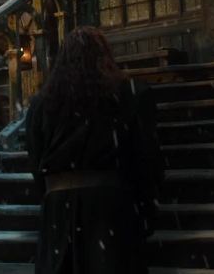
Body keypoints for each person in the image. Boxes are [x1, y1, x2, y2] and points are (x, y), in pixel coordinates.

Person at [26, 26, 163, 274]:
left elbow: (36, 162)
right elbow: (146, 158)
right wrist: (144, 209)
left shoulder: (42, 104)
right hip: (109, 209)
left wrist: (52, 202)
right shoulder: (129, 95)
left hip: (62, 211)